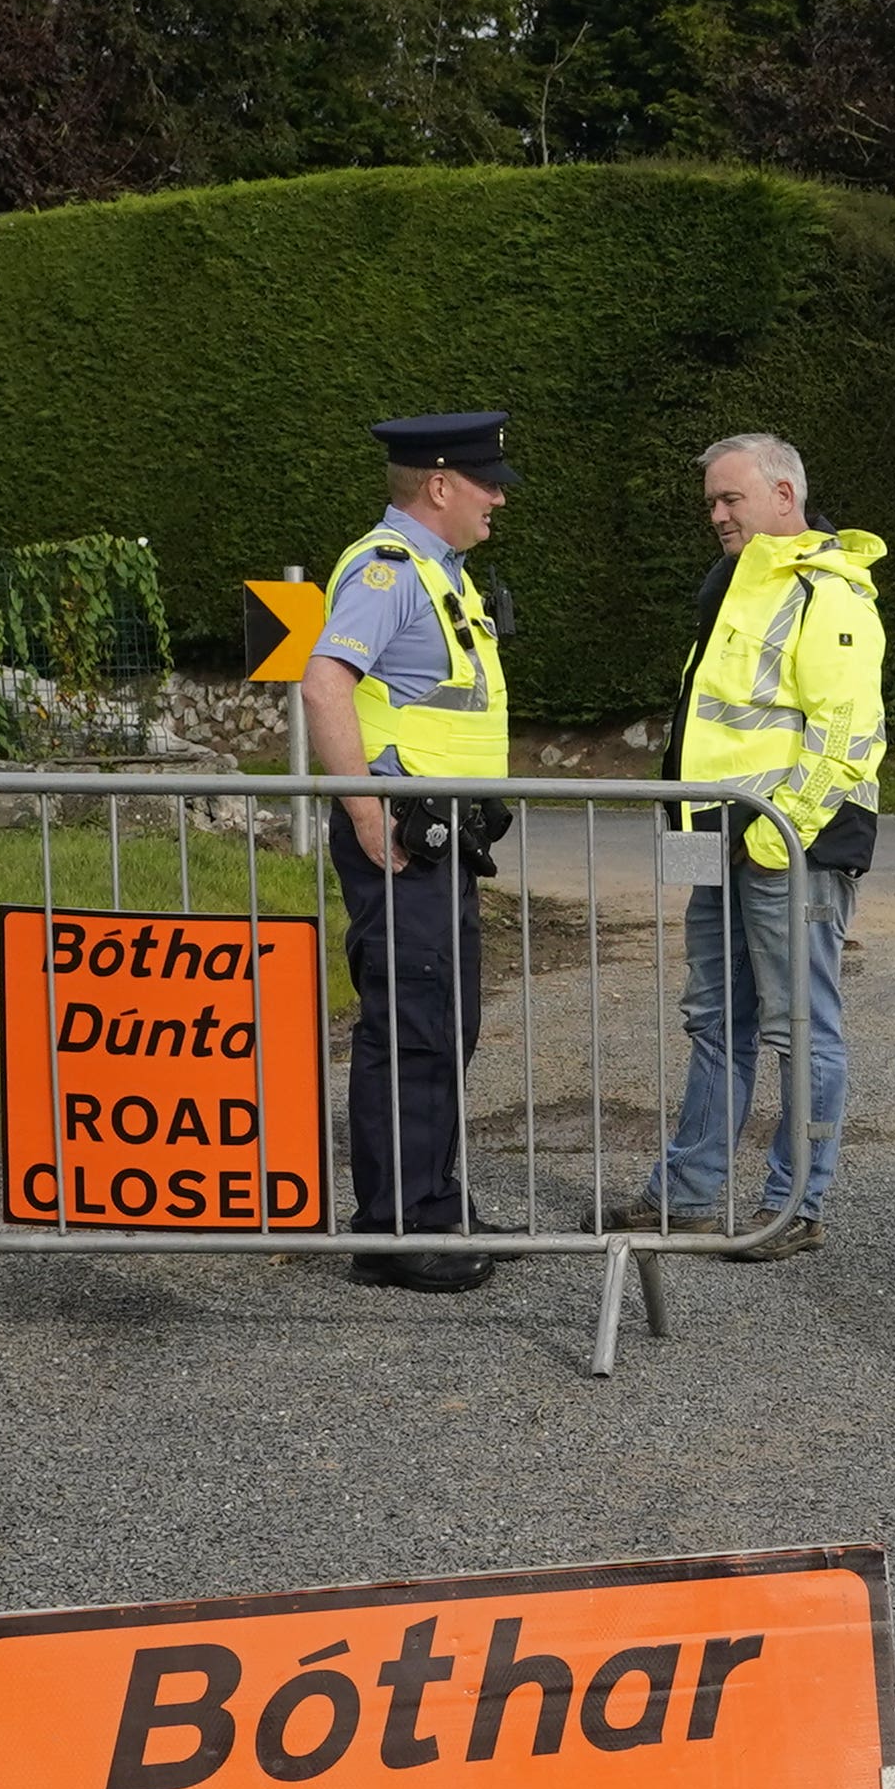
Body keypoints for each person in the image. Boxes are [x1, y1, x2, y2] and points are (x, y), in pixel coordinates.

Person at [634, 429, 887, 1246]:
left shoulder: (828, 591)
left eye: (729, 497)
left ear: (784, 495)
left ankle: (795, 1206)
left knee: (798, 1026)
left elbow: (847, 733)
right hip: (716, 840)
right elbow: (706, 724)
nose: (715, 513)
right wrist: (692, 831)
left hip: (788, 845)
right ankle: (689, 1191)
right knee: (713, 1017)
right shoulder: (730, 583)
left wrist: (783, 837)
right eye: (711, 500)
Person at [307, 409, 516, 1293]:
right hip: (397, 836)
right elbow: (325, 686)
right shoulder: (390, 571)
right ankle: (394, 1229)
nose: (499, 497)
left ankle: (434, 1203)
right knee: (412, 1026)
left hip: (439, 839)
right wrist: (362, 815)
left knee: (446, 1023)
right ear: (439, 484)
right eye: (486, 483)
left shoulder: (444, 576)